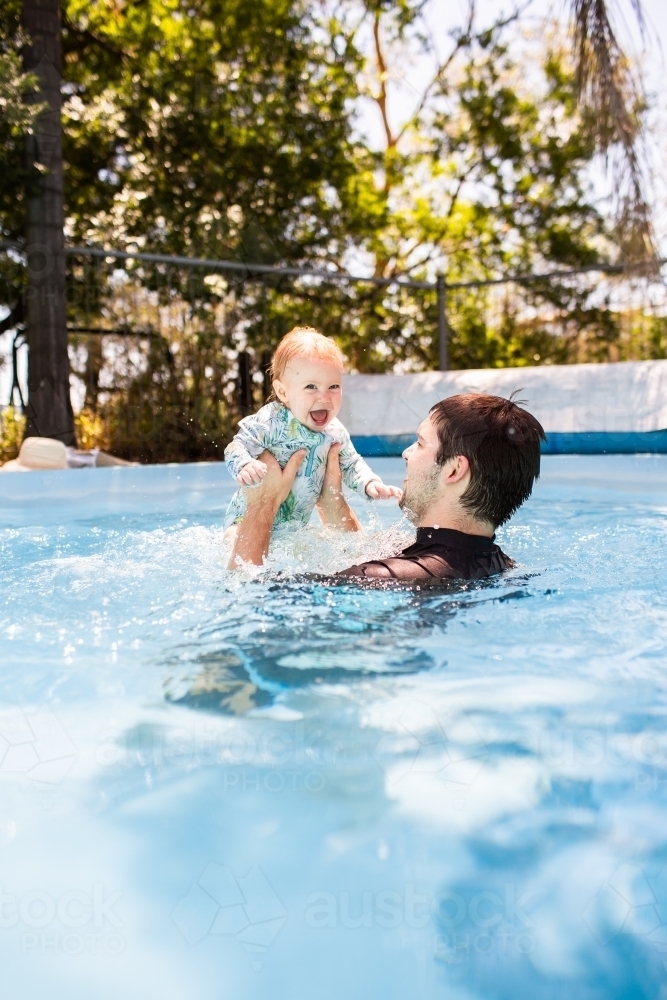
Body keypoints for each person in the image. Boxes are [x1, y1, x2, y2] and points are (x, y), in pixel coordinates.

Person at [227, 392, 546, 581]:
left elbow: (248, 599)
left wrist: (263, 504)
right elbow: (357, 551)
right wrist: (331, 500)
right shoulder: (504, 568)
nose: (407, 454)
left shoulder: (382, 581)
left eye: (420, 443)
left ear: (454, 470)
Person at [223, 327, 401, 538]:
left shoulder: (335, 431)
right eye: (311, 387)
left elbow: (352, 463)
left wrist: (370, 483)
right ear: (283, 391)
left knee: (322, 544)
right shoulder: (272, 421)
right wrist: (244, 465)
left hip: (293, 529)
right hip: (245, 520)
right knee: (233, 539)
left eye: (333, 386)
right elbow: (236, 446)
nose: (324, 397)